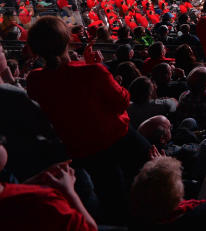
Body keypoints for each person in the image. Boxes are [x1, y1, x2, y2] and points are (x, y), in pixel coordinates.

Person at [26, 17, 150, 223]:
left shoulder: (34, 79)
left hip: (78, 149)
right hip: (115, 139)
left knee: (112, 202)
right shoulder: (93, 72)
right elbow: (122, 101)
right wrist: (100, 70)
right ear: (67, 41)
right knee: (152, 167)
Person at [0, 138, 98, 231]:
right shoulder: (46, 202)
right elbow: (90, 228)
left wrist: (30, 183)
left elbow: (10, 198)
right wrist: (69, 192)